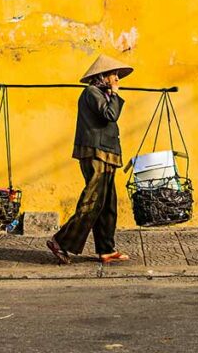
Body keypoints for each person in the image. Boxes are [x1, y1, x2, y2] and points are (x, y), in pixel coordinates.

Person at [47, 54, 134, 265]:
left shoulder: (101, 93)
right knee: (93, 202)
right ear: (103, 76)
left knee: (108, 204)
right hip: (95, 153)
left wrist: (112, 93)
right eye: (114, 76)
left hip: (107, 152)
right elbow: (110, 115)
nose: (117, 80)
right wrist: (114, 94)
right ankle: (61, 242)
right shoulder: (92, 92)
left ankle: (106, 249)